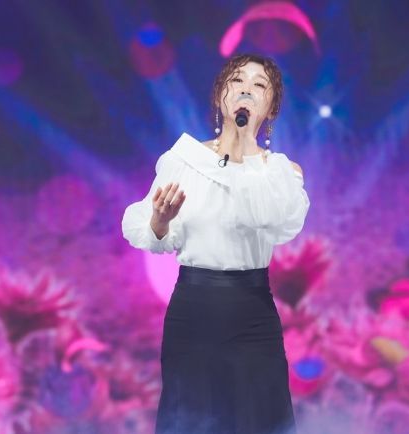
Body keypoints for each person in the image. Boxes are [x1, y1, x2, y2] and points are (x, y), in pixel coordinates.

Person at [121, 53, 310, 434]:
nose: (246, 90)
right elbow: (149, 228)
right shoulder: (185, 160)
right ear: (220, 94)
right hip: (194, 308)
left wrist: (246, 148)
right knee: (191, 415)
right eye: (237, 80)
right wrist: (160, 221)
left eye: (259, 85)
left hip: (252, 310)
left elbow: (275, 223)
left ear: (271, 107)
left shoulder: (279, 172)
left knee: (259, 416)